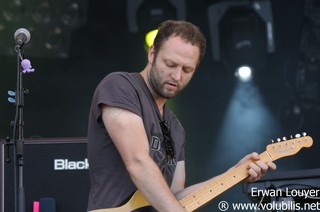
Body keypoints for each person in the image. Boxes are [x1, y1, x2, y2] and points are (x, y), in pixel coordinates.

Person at [86, 20, 276, 211]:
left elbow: (175, 196)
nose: (177, 76)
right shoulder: (120, 86)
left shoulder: (174, 128)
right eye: (170, 64)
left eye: (187, 70)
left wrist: (232, 174)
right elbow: (138, 162)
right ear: (152, 54)